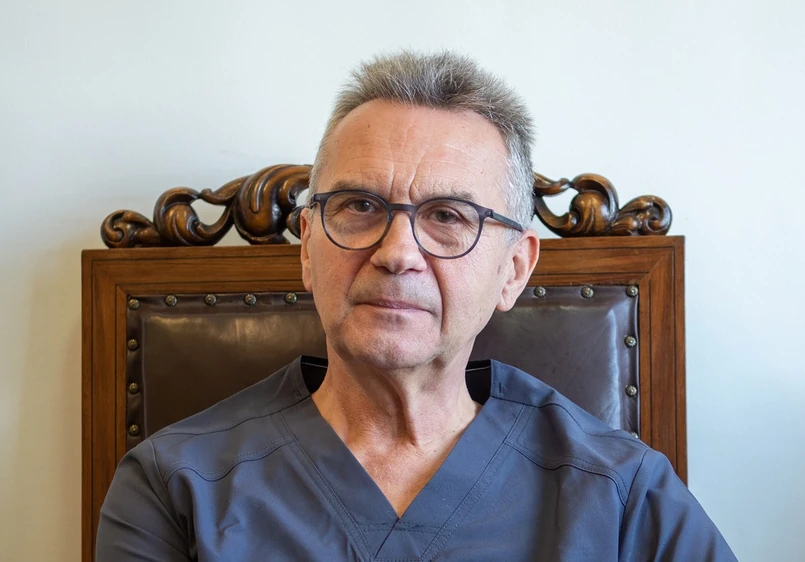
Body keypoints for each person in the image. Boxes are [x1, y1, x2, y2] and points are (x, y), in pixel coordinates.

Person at [96, 51, 737, 561]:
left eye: (449, 216)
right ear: (308, 247)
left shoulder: (625, 495)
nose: (398, 252)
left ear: (514, 270)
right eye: (360, 206)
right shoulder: (174, 486)